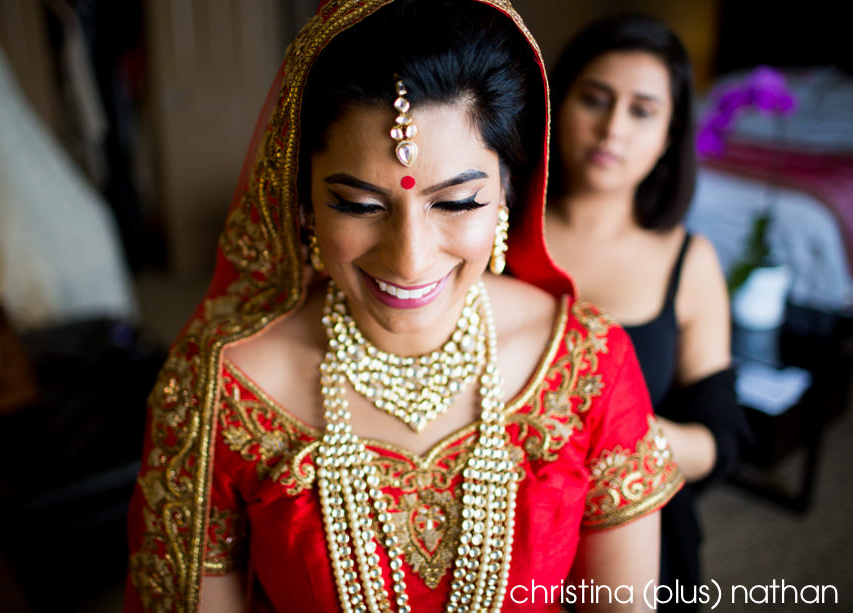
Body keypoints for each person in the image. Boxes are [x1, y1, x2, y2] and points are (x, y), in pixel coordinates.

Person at [125, 2, 683, 611]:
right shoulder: (220, 388)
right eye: (360, 206)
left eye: (457, 203)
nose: (410, 260)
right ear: (304, 201)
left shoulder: (584, 360)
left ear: (506, 196)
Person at [544, 14, 749, 612]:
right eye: (595, 99)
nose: (612, 128)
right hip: (502, 524)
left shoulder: (690, 261)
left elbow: (720, 442)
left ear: (670, 133)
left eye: (642, 110)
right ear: (559, 103)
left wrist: (616, 429)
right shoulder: (492, 228)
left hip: (642, 531)